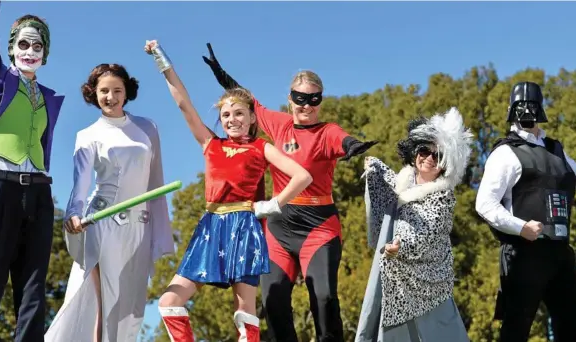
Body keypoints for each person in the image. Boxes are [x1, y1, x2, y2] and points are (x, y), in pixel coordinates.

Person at [202, 43, 377, 342]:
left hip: (318, 227)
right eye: (299, 99)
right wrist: (221, 74)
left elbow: (343, 139)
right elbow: (248, 100)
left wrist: (352, 146)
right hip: (279, 227)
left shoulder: (326, 131)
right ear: (289, 100)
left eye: (313, 99)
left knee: (323, 298)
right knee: (273, 300)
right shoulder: (279, 125)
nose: (306, 105)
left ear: (320, 102)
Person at [144, 39, 313, 342]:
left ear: (251, 118)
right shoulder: (211, 144)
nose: (232, 120)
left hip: (245, 226)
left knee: (245, 312)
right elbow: (183, 103)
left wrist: (273, 204)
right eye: (226, 115)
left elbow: (302, 176)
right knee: (169, 302)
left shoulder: (261, 147)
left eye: (239, 113)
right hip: (211, 226)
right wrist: (162, 60)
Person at [475, 81, 576, 342]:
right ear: (511, 110)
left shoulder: (556, 150)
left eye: (531, 105)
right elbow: (484, 204)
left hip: (560, 253)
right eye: (521, 107)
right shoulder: (505, 153)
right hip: (523, 254)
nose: (526, 112)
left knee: (572, 325)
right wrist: (521, 227)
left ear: (540, 109)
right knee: (516, 329)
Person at [44, 63, 174, 341]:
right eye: (104, 91)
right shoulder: (87, 135)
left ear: (127, 92)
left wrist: (158, 229)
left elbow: (156, 179)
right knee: (106, 300)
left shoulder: (147, 128)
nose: (110, 97)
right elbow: (80, 184)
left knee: (133, 307)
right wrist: (74, 214)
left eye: (117, 90)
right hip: (102, 224)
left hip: (139, 226)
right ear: (94, 93)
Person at [0, 1, 65, 341]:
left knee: (33, 290)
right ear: (10, 47)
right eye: (23, 43)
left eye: (37, 46)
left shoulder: (47, 96)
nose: (30, 51)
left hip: (38, 193)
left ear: (45, 54)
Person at [355, 108, 472, 342]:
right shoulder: (402, 182)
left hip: (430, 289)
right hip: (396, 284)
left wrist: (401, 247)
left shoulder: (443, 198)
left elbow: (427, 229)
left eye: (437, 156)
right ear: (415, 151)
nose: (429, 158)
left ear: (445, 165)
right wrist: (375, 168)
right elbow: (390, 189)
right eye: (424, 150)